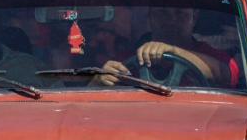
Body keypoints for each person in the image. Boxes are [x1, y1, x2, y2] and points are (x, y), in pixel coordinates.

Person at [98, 7, 237, 88]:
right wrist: (99, 81)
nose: (170, 21)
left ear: (194, 18)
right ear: (151, 16)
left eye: (180, 13)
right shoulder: (127, 59)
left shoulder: (207, 55)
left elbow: (226, 76)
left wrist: (173, 51)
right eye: (162, 13)